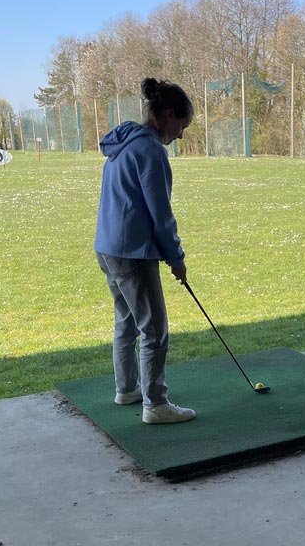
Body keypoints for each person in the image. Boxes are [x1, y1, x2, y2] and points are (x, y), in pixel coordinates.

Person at [94, 78, 196, 424]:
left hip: (108, 248)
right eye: (181, 126)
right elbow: (160, 215)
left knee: (126, 321)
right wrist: (176, 258)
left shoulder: (123, 144)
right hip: (132, 253)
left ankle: (127, 389)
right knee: (154, 330)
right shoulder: (151, 150)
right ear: (167, 116)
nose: (180, 134)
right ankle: (155, 404)